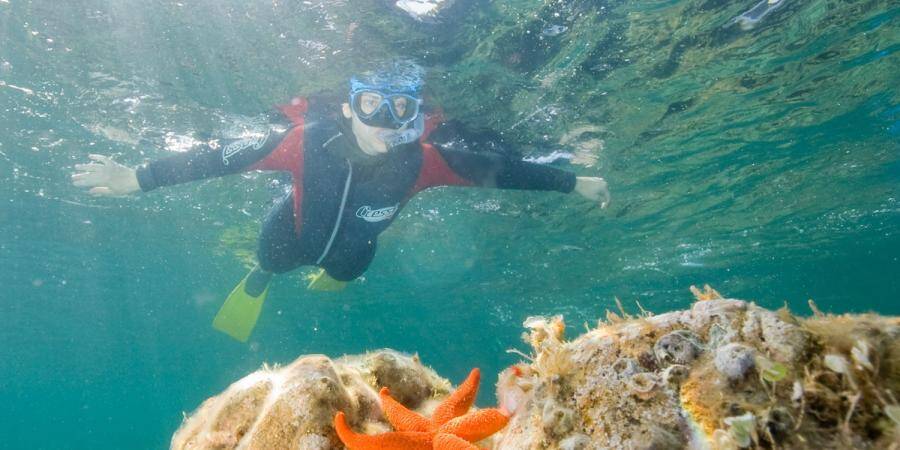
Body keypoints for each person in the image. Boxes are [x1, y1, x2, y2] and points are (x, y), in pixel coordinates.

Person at [71, 62, 610, 341]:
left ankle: (328, 280)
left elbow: (501, 171)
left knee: (350, 271)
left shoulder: (423, 160)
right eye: (370, 105)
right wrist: (136, 178)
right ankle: (259, 281)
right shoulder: (305, 140)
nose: (383, 121)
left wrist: (574, 183)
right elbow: (218, 158)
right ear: (349, 109)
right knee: (271, 262)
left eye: (399, 109)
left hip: (356, 253)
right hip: (287, 234)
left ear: (415, 117)